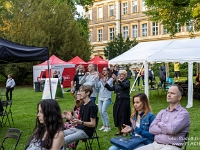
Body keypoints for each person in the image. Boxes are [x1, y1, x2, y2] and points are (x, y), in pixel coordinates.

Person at [135, 84, 190, 150]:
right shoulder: (162, 112)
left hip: (172, 146)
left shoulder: (183, 113)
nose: (169, 95)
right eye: (168, 92)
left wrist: (160, 124)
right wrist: (167, 129)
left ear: (179, 97)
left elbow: (172, 130)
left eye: (172, 93)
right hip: (155, 145)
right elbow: (151, 129)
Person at [104, 70, 130, 136]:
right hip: (118, 100)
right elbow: (110, 88)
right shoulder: (116, 83)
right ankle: (119, 130)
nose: (120, 75)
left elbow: (124, 86)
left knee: (123, 115)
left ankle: (125, 131)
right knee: (116, 114)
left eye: (122, 74)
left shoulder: (127, 82)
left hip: (125, 100)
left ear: (125, 75)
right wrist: (105, 83)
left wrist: (116, 80)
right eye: (119, 74)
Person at [96, 67, 113, 132]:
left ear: (108, 71)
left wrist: (102, 79)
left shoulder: (111, 79)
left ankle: (108, 126)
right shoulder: (102, 78)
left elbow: (106, 85)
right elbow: (97, 85)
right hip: (100, 96)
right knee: (100, 112)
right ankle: (104, 125)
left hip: (107, 97)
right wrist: (96, 78)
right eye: (103, 70)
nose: (104, 71)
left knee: (104, 111)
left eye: (105, 70)